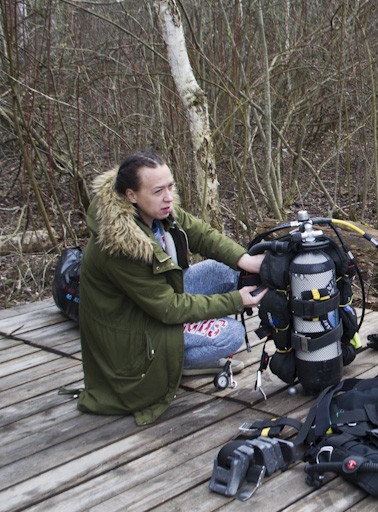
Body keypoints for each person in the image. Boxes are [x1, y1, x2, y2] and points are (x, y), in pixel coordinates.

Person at [77, 151, 266, 425]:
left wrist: (245, 259)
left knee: (223, 269)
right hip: (136, 335)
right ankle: (172, 364)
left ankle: (180, 351)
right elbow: (168, 308)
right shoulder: (120, 245)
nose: (168, 197)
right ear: (131, 195)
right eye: (158, 190)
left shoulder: (155, 210)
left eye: (170, 187)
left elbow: (201, 233)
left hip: (152, 303)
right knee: (231, 334)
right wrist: (237, 300)